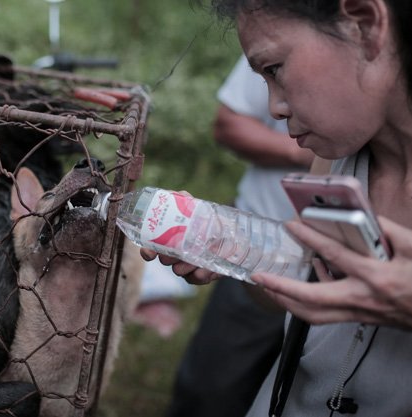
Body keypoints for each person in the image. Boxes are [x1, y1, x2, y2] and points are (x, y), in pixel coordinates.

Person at [144, 0, 412, 415]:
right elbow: (304, 291)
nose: (274, 108)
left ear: (364, 24)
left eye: (274, 70)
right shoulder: (339, 163)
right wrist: (234, 252)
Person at [164, 54, 313, 417]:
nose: (277, 107)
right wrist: (233, 251)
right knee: (210, 391)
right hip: (261, 249)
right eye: (267, 77)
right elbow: (229, 123)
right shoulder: (285, 29)